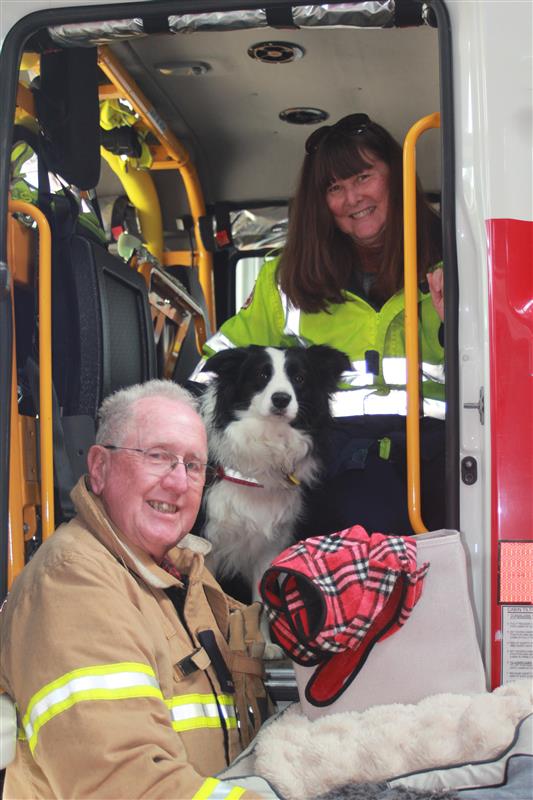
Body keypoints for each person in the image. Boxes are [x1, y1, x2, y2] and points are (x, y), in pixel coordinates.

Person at [0, 380, 276, 800]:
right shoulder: (73, 584)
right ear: (99, 468)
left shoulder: (178, 570)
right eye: (159, 457)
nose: (179, 482)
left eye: (194, 465)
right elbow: (126, 785)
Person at [193, 114, 446, 536]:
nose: (352, 198)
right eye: (335, 188)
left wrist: (449, 320)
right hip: (331, 468)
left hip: (448, 463)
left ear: (396, 176)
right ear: (320, 204)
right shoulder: (284, 281)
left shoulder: (458, 265)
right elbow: (219, 366)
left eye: (363, 177)